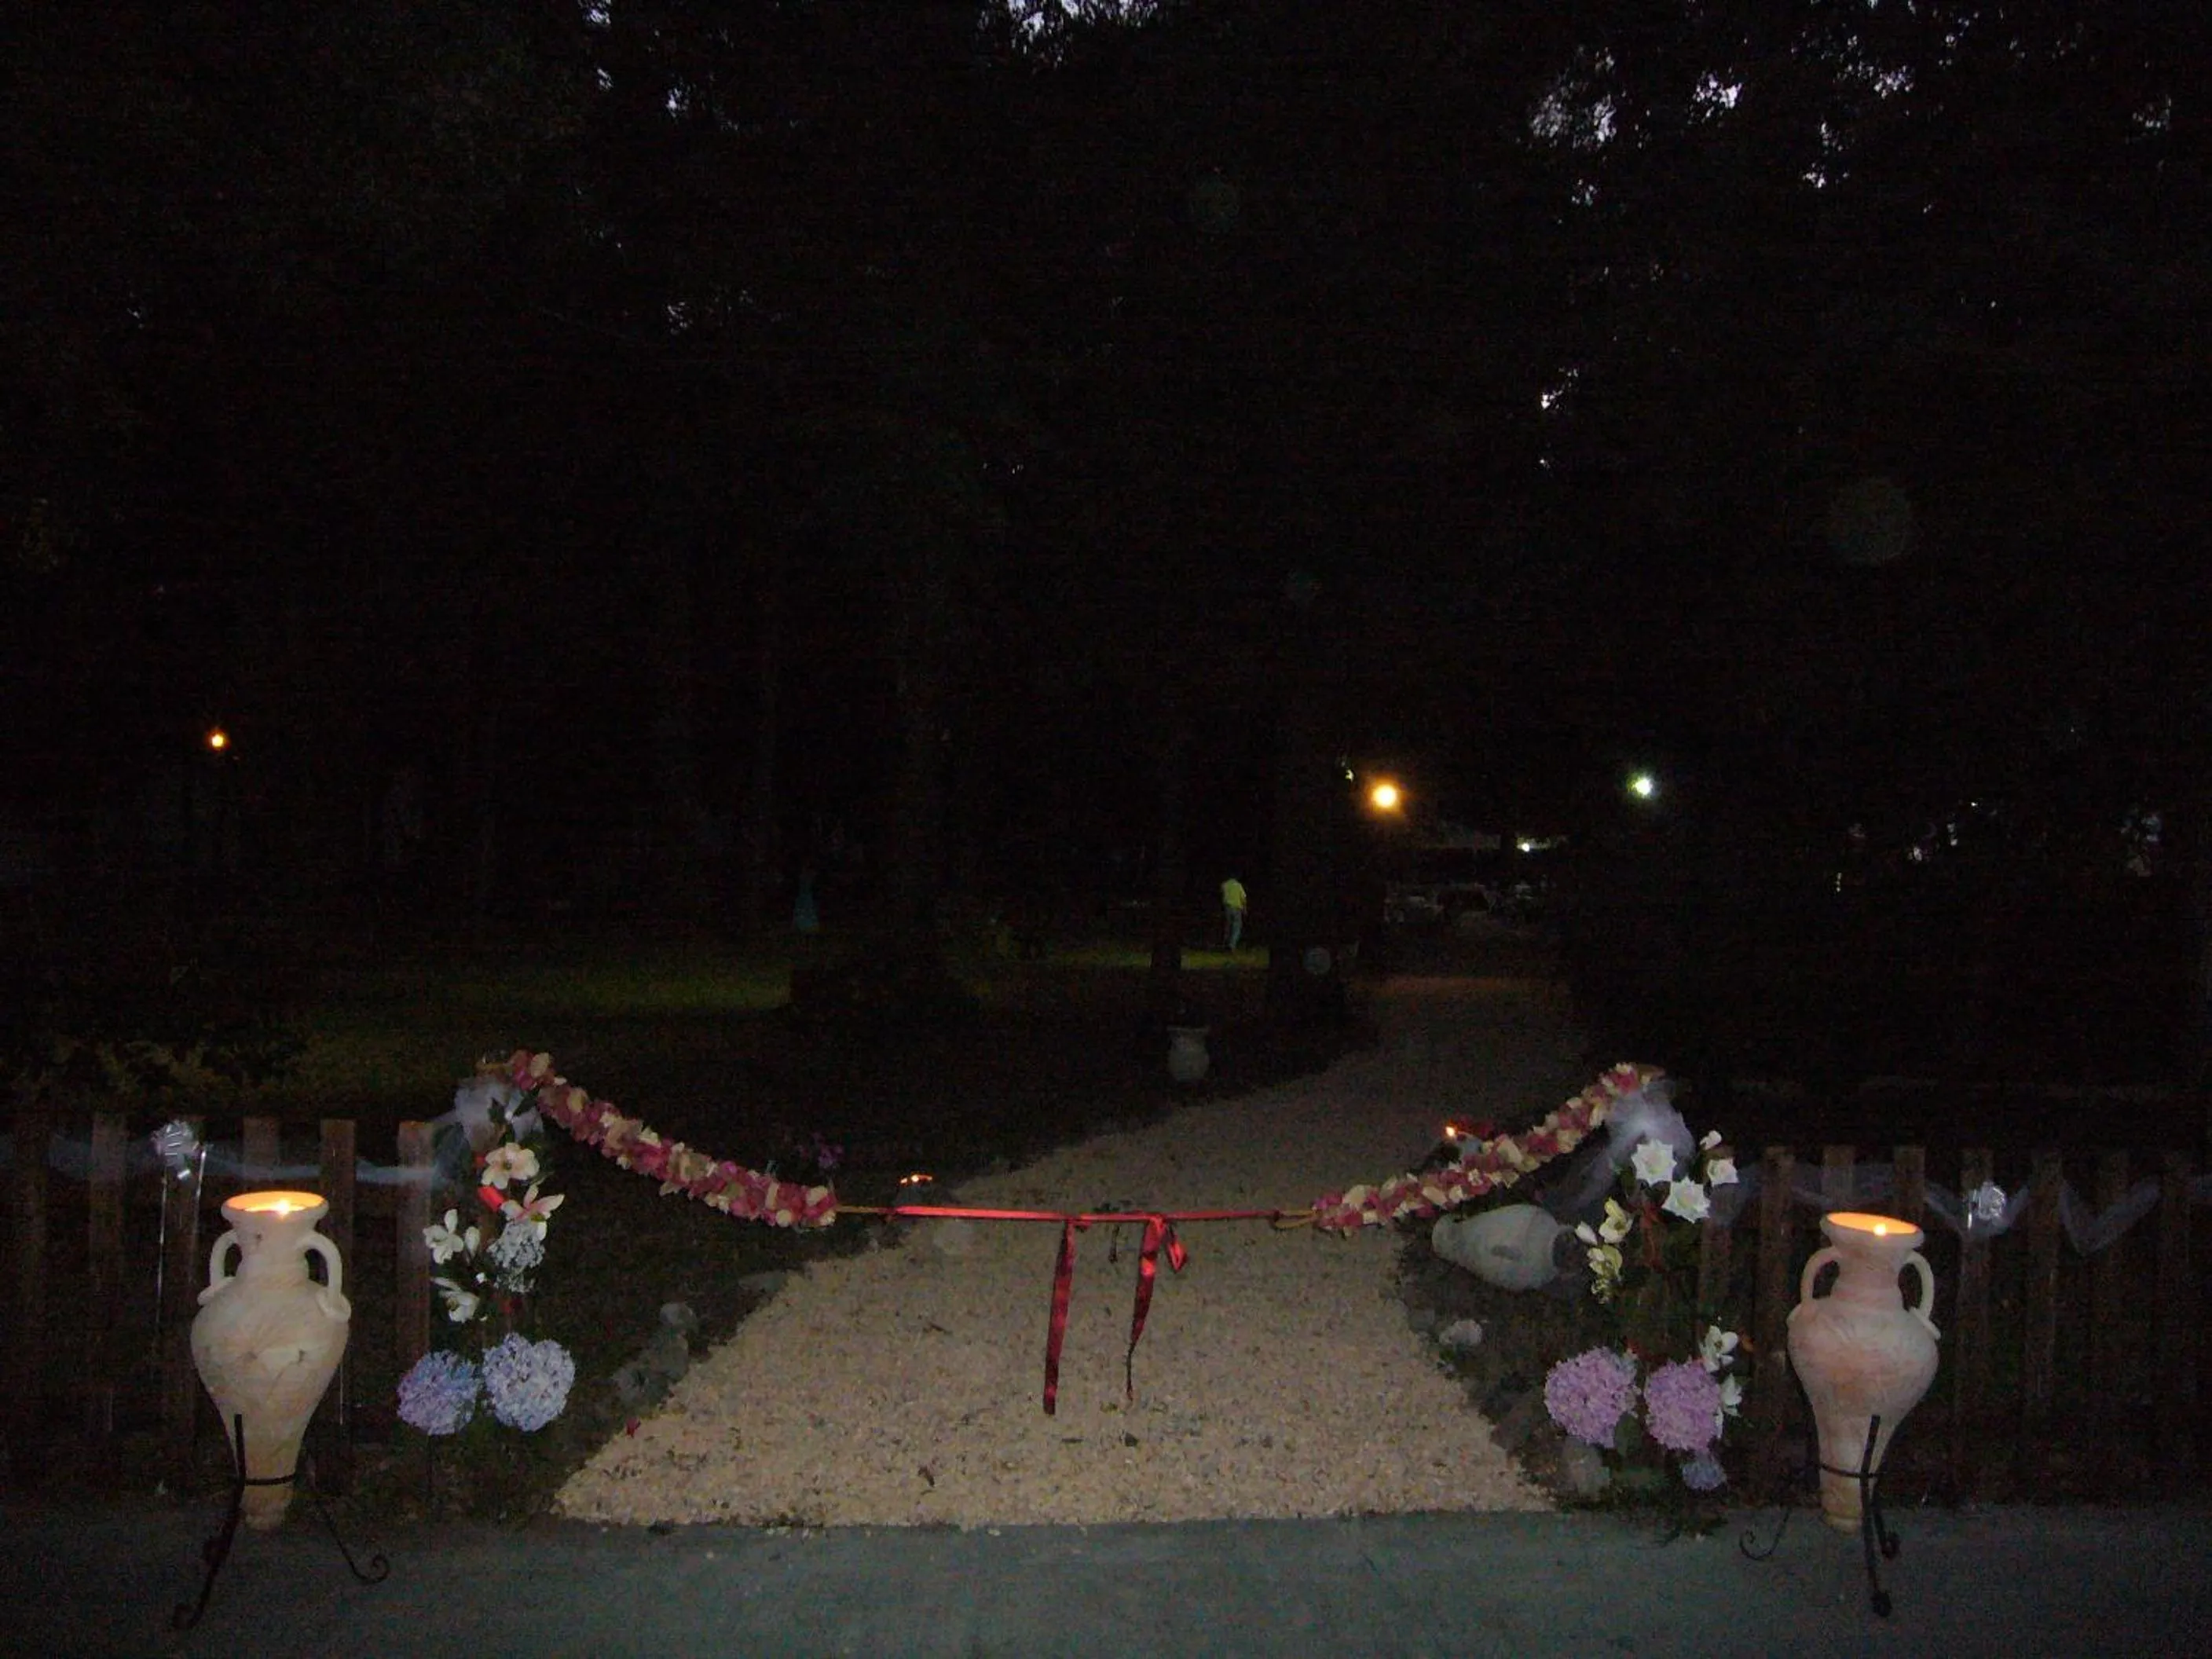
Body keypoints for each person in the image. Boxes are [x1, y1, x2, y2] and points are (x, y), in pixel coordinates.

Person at [1221, 874, 1248, 951]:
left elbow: (1222, 894)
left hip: (1227, 907)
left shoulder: (1224, 885)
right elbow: (1243, 898)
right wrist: (1245, 909)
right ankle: (1232, 945)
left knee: (1228, 926)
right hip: (1237, 908)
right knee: (1236, 927)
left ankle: (1225, 943)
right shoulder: (1238, 885)